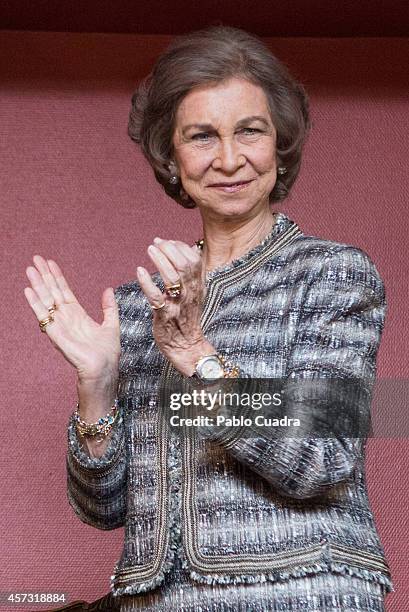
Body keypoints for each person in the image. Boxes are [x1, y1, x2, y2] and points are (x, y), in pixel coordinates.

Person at [24, 25, 394, 612]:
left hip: (300, 593)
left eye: (250, 130)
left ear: (280, 144)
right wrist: (95, 387)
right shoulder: (135, 307)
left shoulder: (334, 276)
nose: (228, 158)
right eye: (201, 136)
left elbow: (325, 460)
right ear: (171, 156)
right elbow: (105, 510)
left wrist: (200, 357)